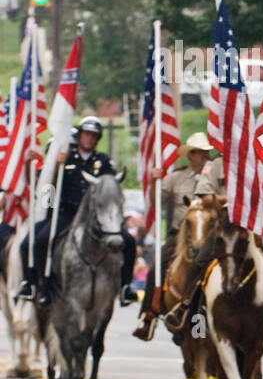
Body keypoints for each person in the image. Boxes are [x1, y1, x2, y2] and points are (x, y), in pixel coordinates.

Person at [16, 117, 136, 308]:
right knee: (35, 241)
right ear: (80, 135)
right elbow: (47, 188)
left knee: (129, 242)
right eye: (86, 134)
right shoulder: (65, 159)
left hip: (95, 218)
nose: (89, 138)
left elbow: (110, 188)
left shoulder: (104, 161)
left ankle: (125, 287)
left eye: (93, 136)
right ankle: (37, 285)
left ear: (97, 139)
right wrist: (56, 166)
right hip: (66, 214)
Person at [133, 133, 223, 340]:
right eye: (201, 153)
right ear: (191, 155)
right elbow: (158, 203)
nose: (205, 157)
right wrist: (155, 183)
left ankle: (211, 323)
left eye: (207, 153)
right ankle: (149, 316)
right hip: (180, 236)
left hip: (209, 235)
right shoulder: (175, 177)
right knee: (157, 268)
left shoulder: (214, 175)